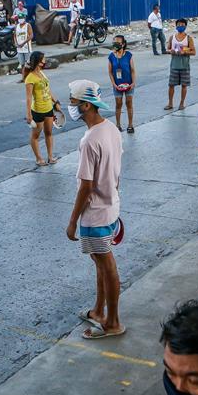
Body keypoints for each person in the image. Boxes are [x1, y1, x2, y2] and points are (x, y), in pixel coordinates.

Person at [65, 80, 125, 340]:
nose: (71, 106)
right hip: (111, 207)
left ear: (86, 105)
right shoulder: (110, 129)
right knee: (100, 263)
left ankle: (112, 322)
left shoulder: (89, 140)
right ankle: (98, 310)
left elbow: (85, 186)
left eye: (74, 102)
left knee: (107, 265)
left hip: (96, 214)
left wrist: (72, 221)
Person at [25, 51, 60, 166]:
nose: (45, 61)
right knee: (36, 135)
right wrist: (29, 114)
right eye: (43, 59)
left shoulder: (42, 74)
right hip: (38, 110)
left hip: (48, 108)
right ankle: (39, 158)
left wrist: (55, 102)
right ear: (39, 62)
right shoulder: (30, 78)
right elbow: (29, 98)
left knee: (49, 133)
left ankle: (50, 157)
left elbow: (48, 89)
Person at [108, 35, 136, 133]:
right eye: (114, 42)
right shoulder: (111, 56)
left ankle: (130, 125)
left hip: (128, 84)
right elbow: (110, 72)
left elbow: (132, 70)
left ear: (123, 44)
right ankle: (118, 125)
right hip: (117, 85)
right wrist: (114, 84)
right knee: (118, 104)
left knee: (129, 103)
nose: (116, 44)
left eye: (118, 43)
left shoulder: (128, 55)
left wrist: (133, 83)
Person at [166, 19, 196, 110]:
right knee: (171, 85)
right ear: (176, 26)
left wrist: (184, 52)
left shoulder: (189, 38)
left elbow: (193, 52)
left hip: (185, 66)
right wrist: (170, 51)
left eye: (182, 25)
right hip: (174, 65)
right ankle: (170, 103)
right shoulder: (172, 37)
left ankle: (182, 103)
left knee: (184, 85)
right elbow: (167, 49)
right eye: (179, 24)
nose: (180, 26)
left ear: (185, 26)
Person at [13, 13, 34, 78]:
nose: (20, 19)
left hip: (26, 47)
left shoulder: (28, 25)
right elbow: (14, 36)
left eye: (22, 18)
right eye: (19, 18)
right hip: (19, 48)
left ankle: (30, 77)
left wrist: (24, 43)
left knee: (28, 63)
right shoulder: (16, 26)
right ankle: (23, 77)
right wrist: (16, 43)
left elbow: (31, 36)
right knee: (22, 64)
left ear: (24, 18)